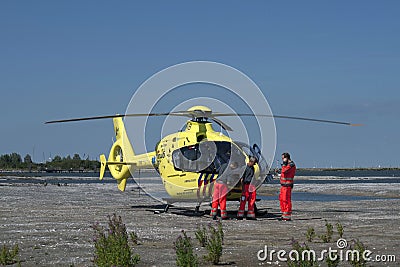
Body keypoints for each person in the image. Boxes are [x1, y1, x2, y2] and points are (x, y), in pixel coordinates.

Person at [279, 152, 296, 221]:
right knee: (282, 199)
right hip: (283, 185)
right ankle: (284, 214)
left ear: (286, 158)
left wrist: (284, 164)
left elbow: (284, 170)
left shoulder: (291, 165)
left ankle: (287, 215)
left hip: (287, 185)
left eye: (283, 158)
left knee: (286, 200)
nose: (282, 160)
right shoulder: (287, 165)